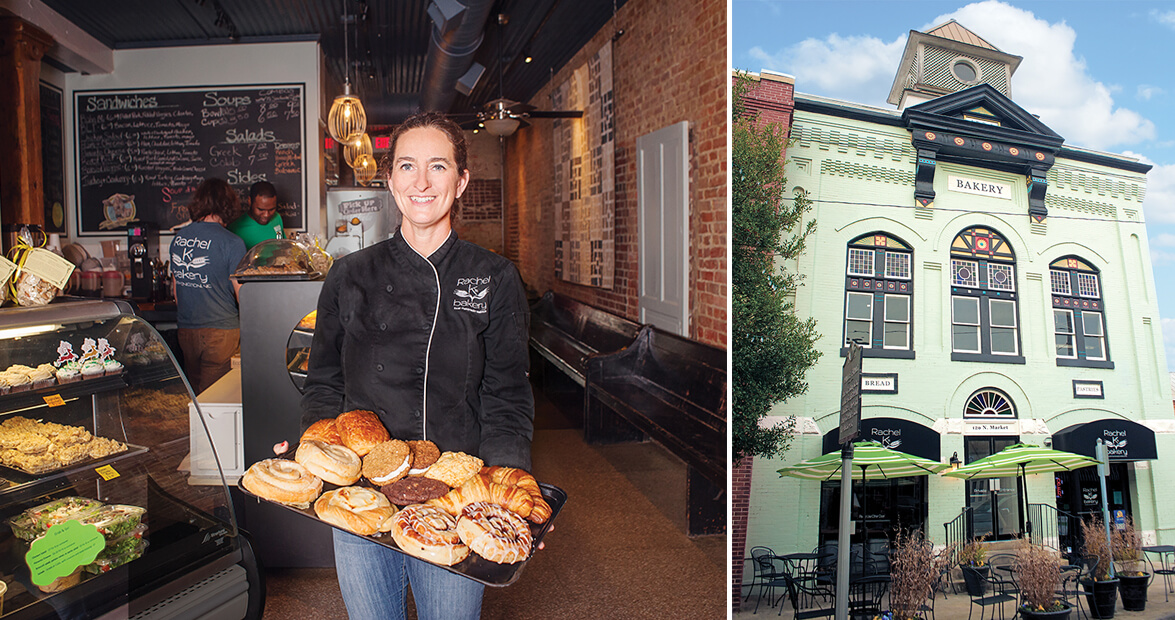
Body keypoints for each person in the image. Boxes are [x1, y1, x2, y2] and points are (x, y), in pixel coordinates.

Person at [301, 111, 534, 620]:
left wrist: (512, 485)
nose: (421, 182)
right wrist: (313, 447)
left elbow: (507, 395)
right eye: (407, 166)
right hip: (362, 495)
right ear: (389, 180)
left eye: (438, 166)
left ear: (462, 179)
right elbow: (323, 380)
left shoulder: (494, 277)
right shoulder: (350, 275)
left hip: (454, 500)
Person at [171, 178, 247, 394]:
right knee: (216, 397)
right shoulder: (232, 243)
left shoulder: (179, 238)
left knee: (195, 396)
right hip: (221, 331)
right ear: (227, 205)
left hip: (186, 330)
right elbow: (242, 294)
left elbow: (176, 291)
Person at [227, 181, 284, 249]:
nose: (266, 215)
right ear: (250, 201)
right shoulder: (236, 229)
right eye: (261, 209)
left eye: (271, 210)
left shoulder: (277, 217)